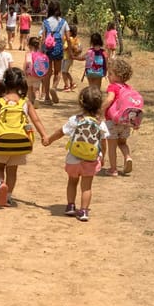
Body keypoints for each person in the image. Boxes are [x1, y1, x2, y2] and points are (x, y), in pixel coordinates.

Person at [0, 67, 48, 207]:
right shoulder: (25, 102)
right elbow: (36, 120)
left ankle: (1, 184)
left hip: (1, 142)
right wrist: (44, 135)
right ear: (21, 84)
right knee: (12, 171)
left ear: (5, 82)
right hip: (20, 143)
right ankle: (7, 197)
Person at [43, 86, 109, 222]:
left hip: (73, 157)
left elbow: (61, 132)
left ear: (81, 102)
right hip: (91, 159)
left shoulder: (75, 119)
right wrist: (103, 157)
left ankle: (71, 206)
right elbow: (103, 142)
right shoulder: (100, 123)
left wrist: (49, 140)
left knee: (72, 182)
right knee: (87, 186)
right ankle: (84, 211)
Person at [101, 57, 135, 176]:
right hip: (125, 122)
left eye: (110, 74)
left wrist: (100, 109)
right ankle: (128, 157)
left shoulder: (113, 87)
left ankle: (113, 169)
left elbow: (110, 99)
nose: (108, 76)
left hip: (112, 121)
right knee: (122, 143)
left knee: (112, 146)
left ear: (118, 75)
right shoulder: (128, 88)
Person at [40, 0, 72, 104]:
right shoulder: (64, 22)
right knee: (57, 72)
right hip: (58, 49)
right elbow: (68, 38)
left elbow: (43, 38)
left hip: (48, 50)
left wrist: (41, 51)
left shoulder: (46, 22)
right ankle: (54, 87)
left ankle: (47, 98)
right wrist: (70, 51)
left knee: (47, 73)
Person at [23, 36, 44, 107]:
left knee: (29, 88)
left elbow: (27, 62)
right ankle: (37, 98)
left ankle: (30, 100)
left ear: (29, 45)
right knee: (36, 88)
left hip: (29, 74)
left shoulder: (28, 54)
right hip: (37, 74)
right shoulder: (40, 54)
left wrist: (24, 71)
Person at [61, 24, 81, 92]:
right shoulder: (73, 39)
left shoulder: (69, 39)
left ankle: (66, 86)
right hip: (67, 58)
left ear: (71, 32)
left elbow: (64, 47)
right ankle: (72, 83)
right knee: (65, 72)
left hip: (67, 58)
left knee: (64, 72)